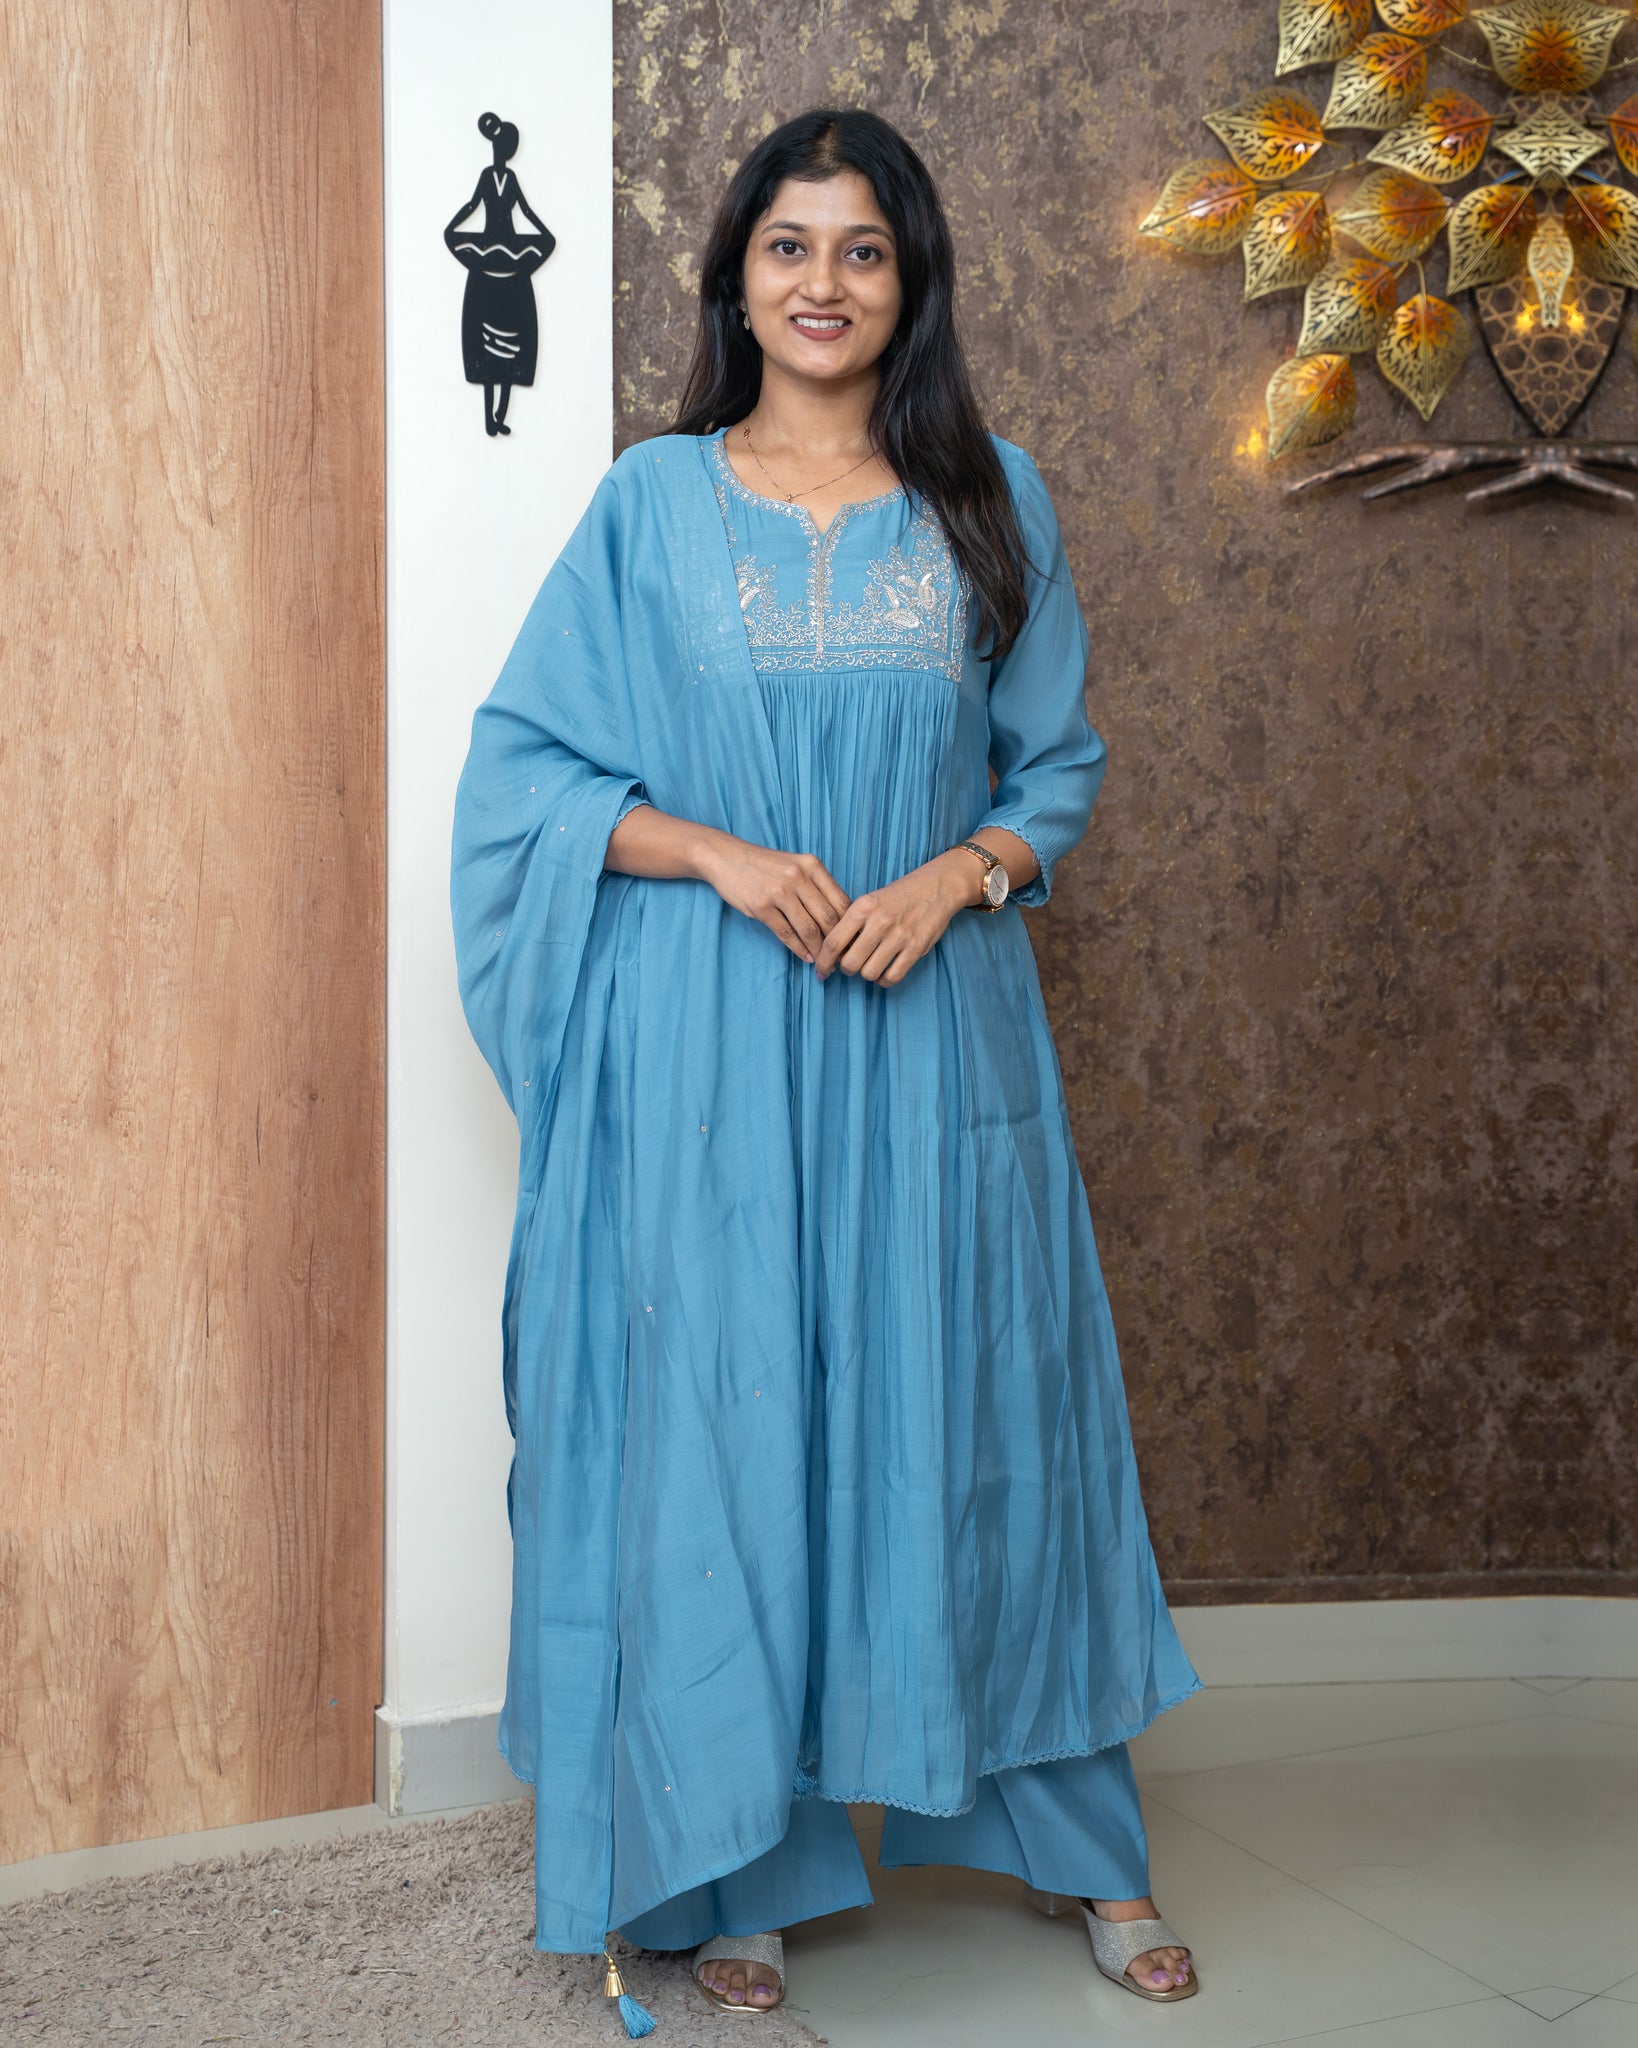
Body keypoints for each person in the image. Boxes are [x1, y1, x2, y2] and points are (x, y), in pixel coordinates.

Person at [449, 106, 1203, 2025]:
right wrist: (715, 852)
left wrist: (958, 874)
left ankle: (1079, 1848)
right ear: (735, 277)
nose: (822, 282)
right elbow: (525, 779)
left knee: (975, 1419)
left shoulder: (991, 499)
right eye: (788, 245)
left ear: (908, 281)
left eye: (862, 249)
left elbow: (1055, 768)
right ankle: (740, 1858)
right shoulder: (651, 503)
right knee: (735, 1429)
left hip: (929, 1039)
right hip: (707, 1052)